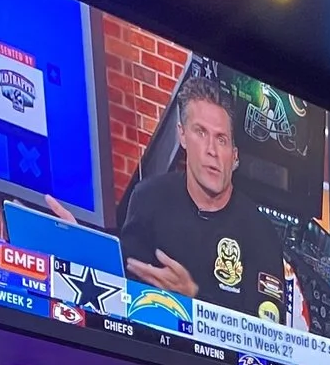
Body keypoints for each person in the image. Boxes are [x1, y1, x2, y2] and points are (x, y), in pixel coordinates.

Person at [115, 73, 289, 320]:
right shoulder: (149, 199)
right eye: (200, 132)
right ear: (182, 135)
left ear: (235, 155)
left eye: (221, 139)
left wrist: (193, 298)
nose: (212, 151)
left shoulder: (261, 233)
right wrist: (81, 246)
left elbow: (267, 333)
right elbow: (121, 286)